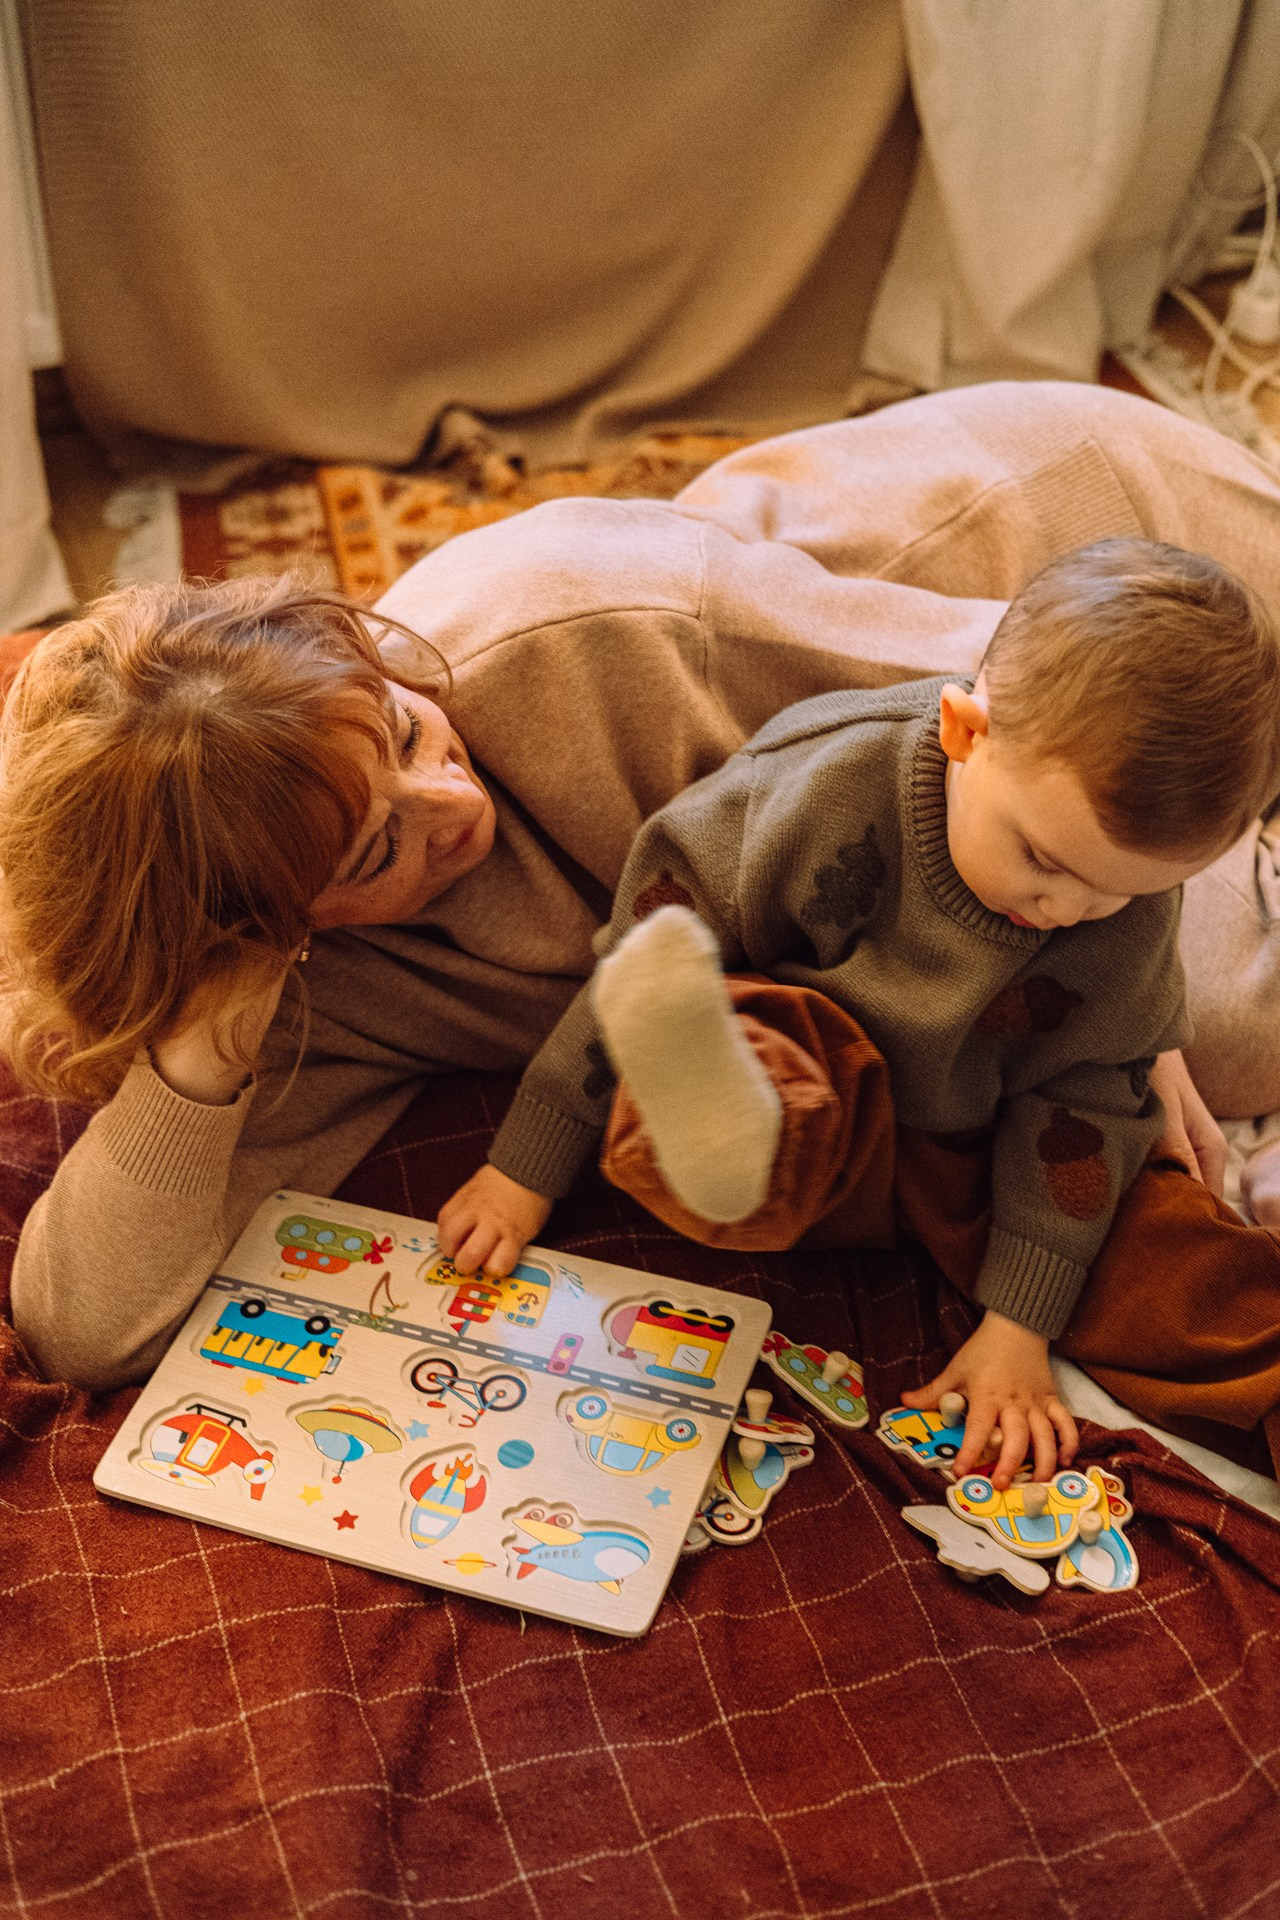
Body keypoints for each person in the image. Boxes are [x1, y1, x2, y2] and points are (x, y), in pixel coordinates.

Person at [5, 380, 1280, 1477]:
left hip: (1098, 551)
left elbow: (1039, 747)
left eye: (400, 729)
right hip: (1034, 766)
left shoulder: (578, 625)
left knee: (1208, 1043)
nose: (450, 802)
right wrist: (199, 1050)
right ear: (271, 932)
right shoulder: (299, 996)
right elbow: (83, 1328)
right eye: (377, 848)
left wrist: (1135, 999)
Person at [433, 538, 1280, 1486]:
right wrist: (525, 1168)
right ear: (966, 730)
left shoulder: (1118, 906)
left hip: (979, 1150)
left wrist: (1017, 1327)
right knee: (718, 1028)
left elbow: (1083, 1116)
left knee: (1165, 1244)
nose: (1066, 912)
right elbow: (649, 952)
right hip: (805, 1082)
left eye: (1115, 894)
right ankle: (723, 1139)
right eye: (1043, 861)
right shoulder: (820, 783)